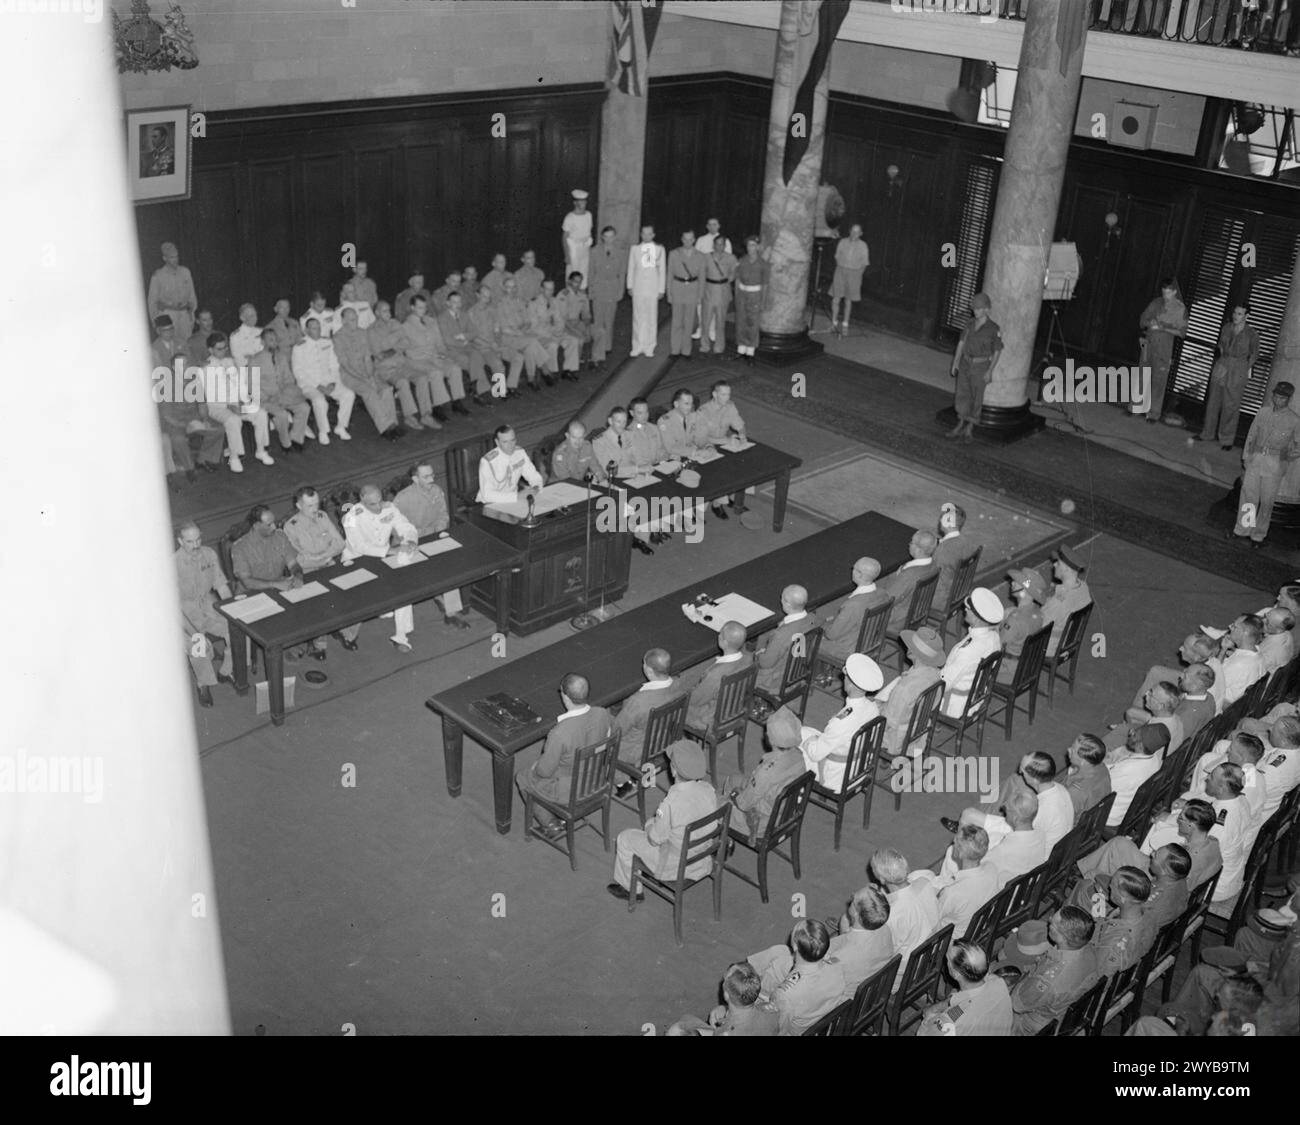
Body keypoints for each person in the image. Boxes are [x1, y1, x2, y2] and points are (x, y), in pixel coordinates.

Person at [608, 739, 719, 900]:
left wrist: (650, 826)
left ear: (673, 770)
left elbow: (654, 840)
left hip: (674, 865)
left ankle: (631, 889)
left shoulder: (670, 803)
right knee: (653, 824)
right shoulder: (708, 789)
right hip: (702, 858)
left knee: (625, 838)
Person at [515, 673, 614, 838]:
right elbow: (610, 735)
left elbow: (544, 772)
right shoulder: (602, 714)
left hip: (570, 790)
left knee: (523, 777)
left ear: (565, 697)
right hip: (597, 779)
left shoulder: (560, 733)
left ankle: (551, 824)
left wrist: (536, 767)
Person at [392, 462, 471, 629]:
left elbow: (443, 514)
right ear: (415, 479)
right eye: (426, 476)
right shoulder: (403, 498)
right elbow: (395, 529)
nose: (432, 479)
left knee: (451, 563)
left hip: (434, 537)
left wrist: (439, 529)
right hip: (411, 543)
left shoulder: (436, 490)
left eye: (432, 475)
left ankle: (452, 612)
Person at [341, 484, 418, 653]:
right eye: (372, 504)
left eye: (379, 502)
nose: (377, 507)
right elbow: (360, 547)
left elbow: (406, 526)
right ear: (362, 501)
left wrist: (410, 539)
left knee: (403, 585)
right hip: (356, 562)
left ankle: (401, 635)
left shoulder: (389, 508)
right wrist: (390, 550)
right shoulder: (352, 516)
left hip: (382, 559)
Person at [283, 485, 359, 655]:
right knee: (319, 604)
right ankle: (319, 644)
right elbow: (298, 561)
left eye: (316, 504)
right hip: (308, 572)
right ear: (298, 505)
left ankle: (346, 633)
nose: (314, 509)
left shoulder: (322, 516)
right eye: (309, 506)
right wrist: (321, 558)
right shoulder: (290, 527)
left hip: (328, 564)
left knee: (352, 593)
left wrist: (322, 557)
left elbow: (340, 543)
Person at [716, 706, 808, 842]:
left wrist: (734, 796)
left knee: (711, 800)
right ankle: (726, 827)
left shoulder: (767, 771)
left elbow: (744, 804)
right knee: (733, 780)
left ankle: (725, 834)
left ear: (771, 739)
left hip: (761, 822)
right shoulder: (798, 757)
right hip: (782, 813)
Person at [799, 653, 883, 792]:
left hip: (837, 775)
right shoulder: (872, 708)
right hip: (859, 765)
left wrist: (808, 743)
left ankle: (795, 798)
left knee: (792, 741)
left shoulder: (841, 722)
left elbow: (815, 754)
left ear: (850, 684)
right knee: (805, 731)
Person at [1009, 906, 1099, 1035]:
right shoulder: (1088, 949)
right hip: (1066, 1014)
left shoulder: (1047, 981)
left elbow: (1016, 1004)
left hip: (1032, 1025)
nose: (1049, 919)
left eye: (1052, 924)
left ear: (1062, 938)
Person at [1231, 381, 1300, 549]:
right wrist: (1246, 456)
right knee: (1249, 497)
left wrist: (1287, 457)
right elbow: (1252, 434)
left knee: (1267, 501)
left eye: (1282, 397)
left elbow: (1298, 445)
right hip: (1256, 460)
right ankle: (1243, 530)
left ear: (1288, 399)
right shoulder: (1263, 412)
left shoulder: (1294, 420)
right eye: (1276, 396)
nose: (1278, 400)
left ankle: (1258, 535)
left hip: (1274, 464)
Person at [175, 522, 234, 707]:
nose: (196, 545)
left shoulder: (209, 554)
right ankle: (203, 684)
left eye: (198, 539)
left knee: (235, 630)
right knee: (199, 646)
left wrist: (233, 610)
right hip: (184, 613)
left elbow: (220, 584)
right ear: (180, 541)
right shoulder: (172, 564)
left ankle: (226, 671)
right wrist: (196, 633)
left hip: (208, 604)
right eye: (190, 541)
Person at [754, 920, 847, 1036]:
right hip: (820, 1016)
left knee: (753, 989)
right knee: (779, 953)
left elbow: (779, 1029)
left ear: (795, 946)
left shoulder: (785, 995)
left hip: (797, 1031)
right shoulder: (837, 965)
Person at [203, 332, 274, 473]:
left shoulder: (230, 362)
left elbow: (239, 384)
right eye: (219, 349)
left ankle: (261, 450)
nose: (223, 351)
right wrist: (230, 406)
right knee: (234, 420)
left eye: (225, 348)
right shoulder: (206, 368)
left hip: (236, 403)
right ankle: (234, 457)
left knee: (260, 414)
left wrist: (242, 400)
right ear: (210, 350)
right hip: (218, 407)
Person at [876, 625, 945, 761]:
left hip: (896, 739)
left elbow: (890, 721)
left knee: (862, 711)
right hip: (918, 731)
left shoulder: (905, 688)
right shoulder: (935, 675)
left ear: (913, 653)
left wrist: (876, 706)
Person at [918, 941, 1012, 1036]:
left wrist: (928, 1019)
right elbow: (962, 1002)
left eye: (947, 960)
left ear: (955, 973)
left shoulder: (950, 1020)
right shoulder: (998, 982)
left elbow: (923, 1033)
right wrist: (940, 1005)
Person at [1199, 304, 1261, 449]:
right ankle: (1207, 433)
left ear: (1247, 316)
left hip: (1238, 368)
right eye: (1235, 312)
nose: (1235, 316)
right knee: (1213, 401)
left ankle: (1226, 439)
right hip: (1222, 364)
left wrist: (1244, 368)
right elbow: (1220, 344)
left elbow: (1254, 354)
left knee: (1231, 405)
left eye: (1239, 314)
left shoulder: (1252, 334)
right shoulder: (1226, 328)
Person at [333, 307, 401, 438]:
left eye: (356, 318)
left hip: (368, 371)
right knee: (369, 392)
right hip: (350, 375)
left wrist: (369, 375)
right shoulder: (338, 337)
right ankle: (385, 428)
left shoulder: (362, 332)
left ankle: (393, 424)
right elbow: (345, 364)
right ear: (343, 321)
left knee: (386, 389)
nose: (355, 322)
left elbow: (367, 357)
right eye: (352, 320)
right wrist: (363, 378)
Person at [612, 649, 679, 779]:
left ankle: (621, 781)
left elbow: (617, 731)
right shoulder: (678, 684)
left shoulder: (638, 701)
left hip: (637, 750)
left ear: (648, 670)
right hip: (664, 740)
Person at [676, 621, 754, 734]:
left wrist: (684, 693)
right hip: (738, 707)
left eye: (721, 634)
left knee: (674, 704)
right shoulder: (749, 659)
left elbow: (696, 700)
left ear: (725, 643)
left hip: (712, 717)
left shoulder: (715, 674)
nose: (718, 635)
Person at [868, 848, 939, 970]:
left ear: (882, 879)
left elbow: (883, 952)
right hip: (933, 949)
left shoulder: (891, 915)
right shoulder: (924, 882)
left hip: (907, 969)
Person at [666, 961, 779, 1037]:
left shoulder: (725, 1032)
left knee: (679, 1028)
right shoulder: (771, 1009)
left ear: (726, 995)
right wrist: (725, 1009)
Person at [939, 587, 1004, 718]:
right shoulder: (994, 637)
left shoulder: (968, 650)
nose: (965, 610)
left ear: (976, 619)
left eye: (968, 609)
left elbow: (944, 683)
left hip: (955, 705)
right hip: (976, 696)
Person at [404, 293, 468, 424]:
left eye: (424, 307)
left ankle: (457, 402)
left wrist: (444, 354)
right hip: (417, 360)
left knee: (454, 368)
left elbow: (439, 342)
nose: (423, 310)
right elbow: (408, 352)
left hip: (435, 357)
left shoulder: (431, 321)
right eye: (420, 307)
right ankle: (438, 407)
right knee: (436, 373)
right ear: (412, 307)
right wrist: (430, 356)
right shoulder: (406, 326)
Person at [926, 824, 999, 939]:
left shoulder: (952, 893)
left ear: (961, 852)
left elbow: (931, 919)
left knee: (922, 879)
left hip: (952, 940)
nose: (952, 844)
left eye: (955, 843)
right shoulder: (992, 869)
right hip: (979, 929)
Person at [249, 326, 312, 454]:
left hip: (283, 395)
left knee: (304, 407)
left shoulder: (282, 357)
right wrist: (268, 397)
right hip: (266, 399)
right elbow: (252, 386)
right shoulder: (255, 360)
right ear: (262, 342)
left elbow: (289, 379)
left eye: (275, 339)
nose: (274, 342)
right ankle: (286, 442)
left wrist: (286, 393)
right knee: (281, 415)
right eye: (270, 339)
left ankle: (296, 438)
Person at [948, 292, 1002, 442]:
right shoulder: (969, 324)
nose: (975, 311)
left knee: (976, 397)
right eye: (974, 308)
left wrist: (990, 371)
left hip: (981, 366)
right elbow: (961, 343)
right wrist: (955, 362)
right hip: (965, 363)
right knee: (962, 393)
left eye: (978, 309)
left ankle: (970, 427)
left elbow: (997, 351)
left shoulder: (993, 329)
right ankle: (960, 423)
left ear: (986, 309)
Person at [292, 318, 355, 444]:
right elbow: (298, 372)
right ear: (306, 330)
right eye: (314, 328)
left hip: (329, 381)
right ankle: (323, 431)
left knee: (349, 394)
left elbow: (334, 365)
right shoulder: (299, 347)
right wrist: (318, 386)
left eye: (319, 327)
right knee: (319, 401)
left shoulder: (327, 342)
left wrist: (332, 382)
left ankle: (341, 427)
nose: (318, 330)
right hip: (309, 384)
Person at [819, 557, 891, 666]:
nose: (852, 570)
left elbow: (832, 635)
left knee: (811, 642)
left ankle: (820, 677)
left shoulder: (853, 605)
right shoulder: (883, 593)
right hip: (871, 640)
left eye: (854, 568)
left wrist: (824, 625)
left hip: (850, 648)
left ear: (860, 575)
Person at [369, 300, 427, 431]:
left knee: (422, 378)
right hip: (386, 368)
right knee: (403, 382)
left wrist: (390, 346)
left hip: (401, 363)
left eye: (389, 310)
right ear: (377, 313)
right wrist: (396, 339)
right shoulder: (371, 330)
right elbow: (379, 354)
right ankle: (410, 416)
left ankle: (426, 414)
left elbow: (406, 342)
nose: (388, 313)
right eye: (384, 311)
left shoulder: (395, 323)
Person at [1138, 277, 1188, 423]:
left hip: (1164, 348)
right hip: (1149, 343)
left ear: (1174, 292)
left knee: (1158, 381)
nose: (1165, 295)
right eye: (1163, 291)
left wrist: (1164, 328)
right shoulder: (1156, 303)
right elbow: (1142, 321)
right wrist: (1150, 323)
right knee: (1142, 376)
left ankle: (1153, 413)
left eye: (1168, 293)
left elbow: (1182, 333)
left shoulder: (1180, 309)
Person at [754, 585, 820, 695]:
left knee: (747, 662)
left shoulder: (781, 634)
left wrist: (759, 654)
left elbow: (766, 663)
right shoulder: (812, 618)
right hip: (799, 670)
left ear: (788, 604)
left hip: (778, 679)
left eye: (782, 598)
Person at [1091, 866, 1155, 976]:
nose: (1109, 885)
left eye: (1112, 887)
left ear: (1123, 898)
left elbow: (1097, 974)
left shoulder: (1115, 942)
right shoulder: (1149, 915)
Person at [1105, 723, 1168, 828]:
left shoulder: (1128, 770)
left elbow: (1102, 787)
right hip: (1126, 805)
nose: (1131, 732)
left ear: (1140, 745)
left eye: (1135, 735)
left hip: (1109, 815)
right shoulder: (1155, 759)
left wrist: (1104, 763)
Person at [877, 529, 940, 633]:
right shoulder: (934, 565)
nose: (909, 544)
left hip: (900, 618)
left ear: (919, 550)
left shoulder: (908, 575)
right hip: (918, 611)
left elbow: (888, 599)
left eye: (912, 542)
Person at [436, 291, 492, 405]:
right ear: (447, 303)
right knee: (472, 362)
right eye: (454, 302)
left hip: (467, 347)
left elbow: (475, 331)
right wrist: (463, 342)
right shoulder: (442, 318)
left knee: (478, 356)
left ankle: (476, 387)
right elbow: (447, 340)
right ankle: (479, 392)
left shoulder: (464, 315)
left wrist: (463, 336)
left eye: (459, 302)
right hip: (451, 351)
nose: (457, 304)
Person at [496, 276, 548, 391]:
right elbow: (504, 329)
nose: (512, 290)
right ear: (504, 289)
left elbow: (527, 321)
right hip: (508, 338)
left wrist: (522, 331)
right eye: (509, 287)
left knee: (530, 346)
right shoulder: (500, 305)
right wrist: (519, 333)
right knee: (532, 341)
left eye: (514, 287)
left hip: (521, 336)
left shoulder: (520, 301)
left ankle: (515, 385)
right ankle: (544, 369)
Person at [997, 568, 1047, 684]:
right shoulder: (1038, 612)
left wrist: (995, 627)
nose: (1012, 583)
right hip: (1026, 666)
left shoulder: (1014, 620)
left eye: (1016, 582)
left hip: (1009, 671)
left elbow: (997, 645)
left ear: (1024, 591)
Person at [1041, 545, 1091, 657]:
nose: (1054, 564)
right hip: (1068, 641)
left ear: (1067, 569)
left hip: (1050, 647)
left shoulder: (1059, 602)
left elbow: (1039, 625)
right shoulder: (1083, 587)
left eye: (1058, 563)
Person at [477, 425, 543, 505]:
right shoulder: (488, 462)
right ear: (497, 442)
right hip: (490, 503)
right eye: (505, 442)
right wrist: (516, 496)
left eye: (512, 440)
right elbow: (487, 495)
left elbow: (534, 476)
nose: (510, 445)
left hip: (513, 501)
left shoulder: (520, 453)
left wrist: (535, 488)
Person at [465, 287, 512, 398]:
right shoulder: (471, 313)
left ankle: (500, 391)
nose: (487, 299)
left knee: (499, 365)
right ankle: (488, 391)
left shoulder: (492, 310)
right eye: (484, 296)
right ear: (477, 295)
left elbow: (497, 328)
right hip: (479, 347)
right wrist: (491, 345)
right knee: (494, 364)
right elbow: (473, 336)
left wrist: (497, 341)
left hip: (492, 345)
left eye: (489, 297)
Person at [627, 224, 666, 358]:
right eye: (644, 233)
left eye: (649, 234)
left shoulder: (659, 249)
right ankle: (637, 345)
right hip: (638, 288)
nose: (646, 236)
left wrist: (661, 289)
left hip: (652, 289)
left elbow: (662, 271)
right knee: (638, 317)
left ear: (653, 235)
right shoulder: (635, 249)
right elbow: (631, 268)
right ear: (640, 234)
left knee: (651, 318)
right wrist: (630, 286)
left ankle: (649, 346)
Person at [588, 225, 624, 370]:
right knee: (598, 321)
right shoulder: (594, 251)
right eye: (606, 236)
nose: (609, 239)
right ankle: (598, 347)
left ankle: (607, 346)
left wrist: (620, 291)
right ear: (602, 237)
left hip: (612, 289)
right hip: (598, 288)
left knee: (609, 319)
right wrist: (591, 290)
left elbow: (621, 274)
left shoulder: (620, 253)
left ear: (615, 237)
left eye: (611, 236)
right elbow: (590, 272)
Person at [147, 242, 197, 343]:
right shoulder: (158, 276)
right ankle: (176, 360)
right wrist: (156, 323)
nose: (175, 260)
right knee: (171, 346)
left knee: (185, 345)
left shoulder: (185, 272)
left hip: (184, 316)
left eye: (177, 256)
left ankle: (183, 360)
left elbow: (192, 295)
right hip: (168, 315)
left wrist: (191, 315)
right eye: (172, 257)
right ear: (165, 258)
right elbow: (152, 302)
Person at [667, 229, 705, 358]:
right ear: (681, 239)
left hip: (693, 289)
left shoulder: (700, 256)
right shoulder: (674, 254)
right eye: (685, 239)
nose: (688, 242)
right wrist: (669, 293)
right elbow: (669, 274)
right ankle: (675, 350)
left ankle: (686, 350)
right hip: (677, 288)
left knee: (689, 321)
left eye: (690, 239)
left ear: (694, 240)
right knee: (677, 321)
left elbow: (702, 277)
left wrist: (700, 295)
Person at [931, 502, 977, 608]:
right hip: (959, 591)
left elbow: (930, 577)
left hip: (941, 598)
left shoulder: (942, 551)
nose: (939, 520)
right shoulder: (966, 542)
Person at [700, 231, 737, 356]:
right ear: (713, 245)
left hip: (723, 291)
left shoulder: (731, 258)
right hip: (709, 290)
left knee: (721, 322)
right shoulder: (706, 257)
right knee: (705, 320)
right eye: (717, 244)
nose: (719, 246)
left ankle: (719, 346)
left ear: (725, 245)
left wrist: (729, 278)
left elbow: (734, 272)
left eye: (722, 244)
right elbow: (701, 274)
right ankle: (704, 345)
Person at [830, 223, 869, 336]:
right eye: (852, 231)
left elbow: (865, 263)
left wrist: (857, 275)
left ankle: (845, 325)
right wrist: (842, 267)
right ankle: (834, 323)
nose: (854, 234)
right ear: (849, 231)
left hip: (854, 274)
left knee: (848, 300)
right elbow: (837, 256)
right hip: (840, 271)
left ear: (861, 234)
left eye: (857, 232)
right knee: (836, 299)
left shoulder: (863, 245)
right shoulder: (842, 242)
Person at [1062, 733, 1112, 818]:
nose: (1068, 749)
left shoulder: (1076, 792)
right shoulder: (1101, 767)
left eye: (1073, 750)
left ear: (1083, 761)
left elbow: (1064, 817)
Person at [554, 272, 592, 377]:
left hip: (577, 322)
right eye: (575, 282)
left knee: (599, 332)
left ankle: (594, 360)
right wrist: (578, 332)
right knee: (578, 339)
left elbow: (586, 315)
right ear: (569, 281)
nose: (578, 284)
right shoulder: (563, 295)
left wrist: (587, 329)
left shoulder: (582, 295)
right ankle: (570, 369)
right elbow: (563, 319)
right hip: (565, 325)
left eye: (580, 282)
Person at [733, 235, 764, 363]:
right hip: (742, 295)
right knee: (741, 321)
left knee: (752, 323)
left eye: (753, 245)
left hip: (755, 295)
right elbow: (737, 279)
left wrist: (763, 301)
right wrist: (736, 296)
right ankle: (741, 350)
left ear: (758, 247)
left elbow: (766, 284)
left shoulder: (763, 263)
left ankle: (750, 351)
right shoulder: (742, 261)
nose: (750, 248)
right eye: (748, 245)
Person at [657, 388, 706, 461]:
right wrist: (694, 452)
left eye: (691, 403)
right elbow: (671, 448)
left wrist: (708, 447)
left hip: (691, 456)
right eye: (686, 404)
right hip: (671, 459)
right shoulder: (665, 421)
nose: (689, 407)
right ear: (676, 404)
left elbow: (700, 437)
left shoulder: (693, 416)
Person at [562, 189, 593, 288]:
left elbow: (589, 232)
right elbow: (564, 237)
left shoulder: (588, 215)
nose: (583, 204)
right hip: (574, 248)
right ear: (575, 202)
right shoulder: (570, 217)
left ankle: (581, 297)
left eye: (584, 201)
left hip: (585, 247)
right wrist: (567, 255)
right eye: (580, 201)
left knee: (584, 272)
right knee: (573, 273)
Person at [1258, 606, 1295, 676]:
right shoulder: (1286, 633)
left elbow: (1257, 669)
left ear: (1278, 630)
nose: (1262, 620)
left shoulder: (1274, 652)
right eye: (1265, 616)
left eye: (1267, 623)